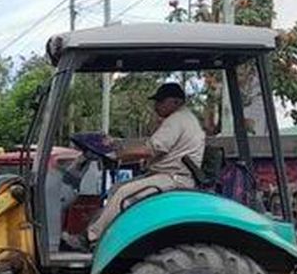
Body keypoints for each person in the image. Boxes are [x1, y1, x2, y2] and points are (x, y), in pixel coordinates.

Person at [85, 81, 206, 245]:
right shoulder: (183, 119)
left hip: (174, 178)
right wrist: (120, 148)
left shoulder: (177, 120)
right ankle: (105, 232)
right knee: (116, 188)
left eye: (160, 102)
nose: (156, 106)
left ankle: (93, 237)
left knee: (123, 194)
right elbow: (149, 145)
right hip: (169, 175)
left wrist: (117, 154)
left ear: (176, 102)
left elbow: (151, 150)